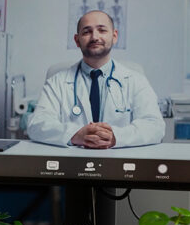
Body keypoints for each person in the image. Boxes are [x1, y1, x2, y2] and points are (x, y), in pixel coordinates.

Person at [27, 10, 165, 148]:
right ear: (77, 40)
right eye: (87, 32)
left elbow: (155, 126)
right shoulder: (56, 82)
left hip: (120, 162)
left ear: (114, 36)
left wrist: (115, 137)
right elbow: (37, 124)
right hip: (72, 162)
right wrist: (75, 134)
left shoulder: (136, 80)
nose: (95, 37)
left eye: (102, 30)